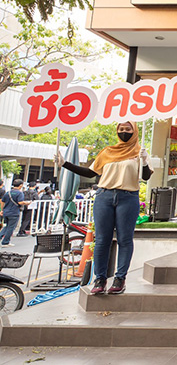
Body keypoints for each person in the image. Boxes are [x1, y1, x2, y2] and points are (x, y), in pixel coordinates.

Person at [56, 122, 152, 295]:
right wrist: (65, 164)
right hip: (104, 196)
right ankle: (99, 279)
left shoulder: (139, 152)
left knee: (125, 239)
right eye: (121, 130)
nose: (124, 132)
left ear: (135, 131)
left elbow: (145, 177)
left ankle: (120, 278)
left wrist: (144, 161)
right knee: (101, 240)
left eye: (128, 130)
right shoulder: (107, 152)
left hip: (128, 197)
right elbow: (90, 172)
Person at [0, 179, 30, 247]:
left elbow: (2, 201)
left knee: (7, 226)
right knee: (11, 227)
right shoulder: (20, 193)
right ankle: (5, 242)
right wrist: (27, 202)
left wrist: (2, 210)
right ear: (21, 185)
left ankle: (1, 237)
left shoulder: (8, 192)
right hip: (14, 212)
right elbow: (20, 202)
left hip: (6, 212)